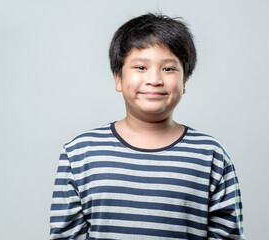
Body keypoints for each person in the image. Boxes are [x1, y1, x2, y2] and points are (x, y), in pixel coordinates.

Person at [49, 13, 245, 240]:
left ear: (184, 82)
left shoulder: (211, 156)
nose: (154, 79)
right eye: (141, 67)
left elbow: (227, 235)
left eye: (168, 69)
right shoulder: (79, 153)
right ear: (118, 79)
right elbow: (66, 235)